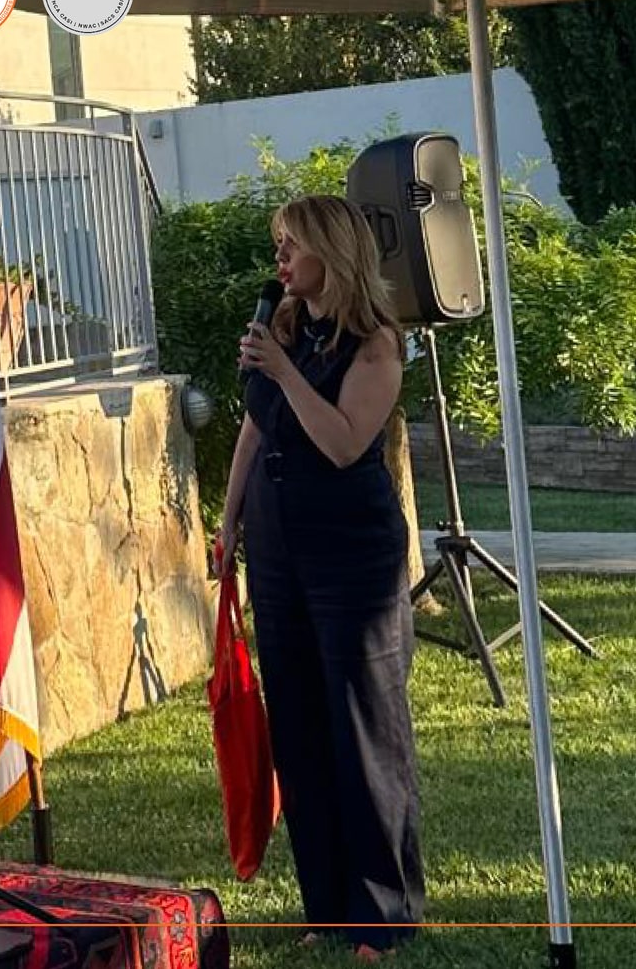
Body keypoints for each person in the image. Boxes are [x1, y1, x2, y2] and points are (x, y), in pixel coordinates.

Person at [218, 195, 425, 962]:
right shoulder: (286, 327)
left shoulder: (375, 345)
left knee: (361, 725)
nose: (279, 260)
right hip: (278, 545)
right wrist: (230, 517)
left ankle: (383, 915)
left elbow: (341, 442)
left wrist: (283, 372)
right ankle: (327, 904)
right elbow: (254, 422)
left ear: (330, 252)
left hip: (349, 550)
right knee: (300, 726)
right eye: (276, 245)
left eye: (290, 246)